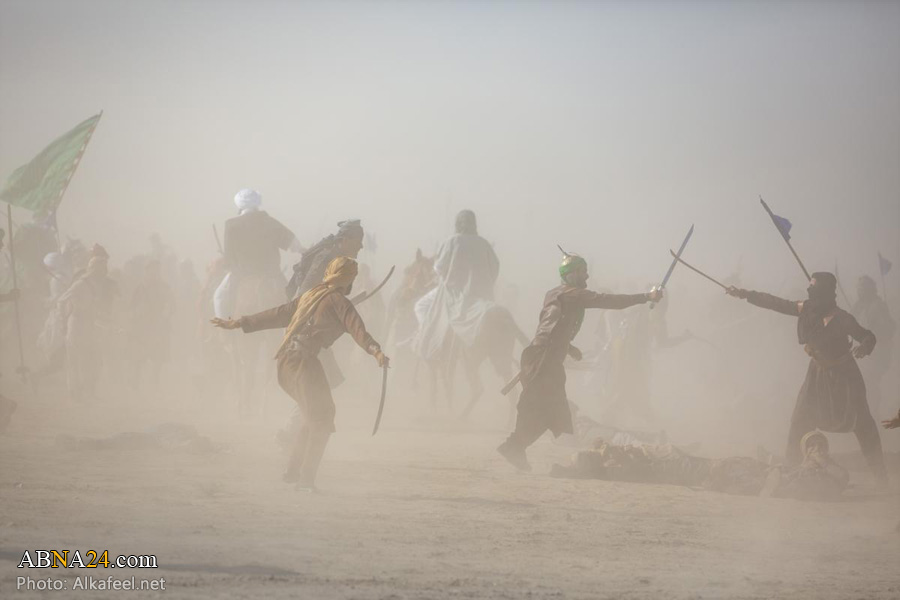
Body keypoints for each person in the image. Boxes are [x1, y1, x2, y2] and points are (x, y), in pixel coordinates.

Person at [212, 257, 389, 491]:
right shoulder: (339, 302)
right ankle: (304, 480)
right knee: (322, 419)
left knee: (314, 415)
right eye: (352, 278)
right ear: (347, 280)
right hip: (302, 362)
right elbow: (358, 329)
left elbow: (278, 313)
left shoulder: (311, 295)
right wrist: (376, 351)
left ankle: (293, 472)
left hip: (288, 360)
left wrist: (239, 323)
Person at [497, 250, 662, 471]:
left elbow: (550, 326)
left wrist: (568, 347)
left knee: (550, 412)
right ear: (571, 274)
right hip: (543, 361)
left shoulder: (554, 293)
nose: (586, 277)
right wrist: (646, 297)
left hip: (540, 358)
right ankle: (514, 446)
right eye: (583, 272)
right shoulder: (572, 294)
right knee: (546, 410)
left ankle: (515, 446)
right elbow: (610, 301)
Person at [725, 272, 888, 483]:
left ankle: (881, 477)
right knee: (800, 419)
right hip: (817, 374)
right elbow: (775, 303)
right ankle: (790, 470)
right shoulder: (806, 308)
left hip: (845, 377)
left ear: (827, 293)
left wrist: (865, 346)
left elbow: (867, 335)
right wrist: (746, 294)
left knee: (862, 423)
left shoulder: (842, 318)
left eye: (815, 289)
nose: (809, 292)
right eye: (809, 288)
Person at [412, 210, 500, 361]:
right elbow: (495, 268)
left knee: (420, 305)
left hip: (454, 294)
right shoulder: (484, 243)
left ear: (458, 223)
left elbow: (439, 268)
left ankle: (427, 334)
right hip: (483, 295)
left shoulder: (453, 241)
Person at [214, 189, 301, 319]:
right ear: (257, 203)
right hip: (272, 274)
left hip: (241, 274)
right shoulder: (270, 222)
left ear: (239, 205)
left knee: (219, 297)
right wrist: (303, 250)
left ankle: (224, 330)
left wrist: (228, 265)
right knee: (292, 300)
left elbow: (229, 256)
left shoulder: (231, 225)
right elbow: (294, 245)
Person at [286, 219, 364, 300]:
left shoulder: (344, 262)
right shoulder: (325, 259)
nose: (361, 246)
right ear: (345, 240)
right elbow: (305, 292)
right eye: (357, 242)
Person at [852, 275, 895, 416]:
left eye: (863, 287)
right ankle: (862, 414)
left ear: (870, 289)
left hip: (876, 355)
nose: (860, 290)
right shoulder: (859, 306)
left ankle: (871, 415)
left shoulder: (878, 305)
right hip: (861, 354)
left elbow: (887, 331)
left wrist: (871, 336)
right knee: (860, 385)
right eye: (859, 287)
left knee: (869, 385)